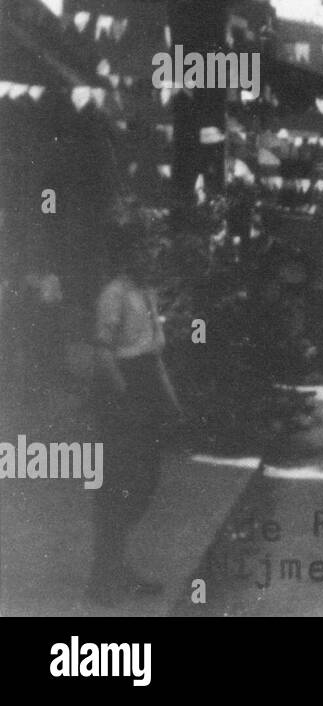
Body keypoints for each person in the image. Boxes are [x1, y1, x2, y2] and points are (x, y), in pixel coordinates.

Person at [86, 224, 184, 607]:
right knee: (117, 486)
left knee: (144, 483)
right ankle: (103, 579)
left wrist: (172, 402)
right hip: (121, 393)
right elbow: (104, 352)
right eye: (143, 251)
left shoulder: (147, 294)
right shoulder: (113, 295)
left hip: (146, 391)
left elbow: (155, 355)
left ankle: (117, 565)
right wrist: (125, 399)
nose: (152, 257)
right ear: (128, 256)